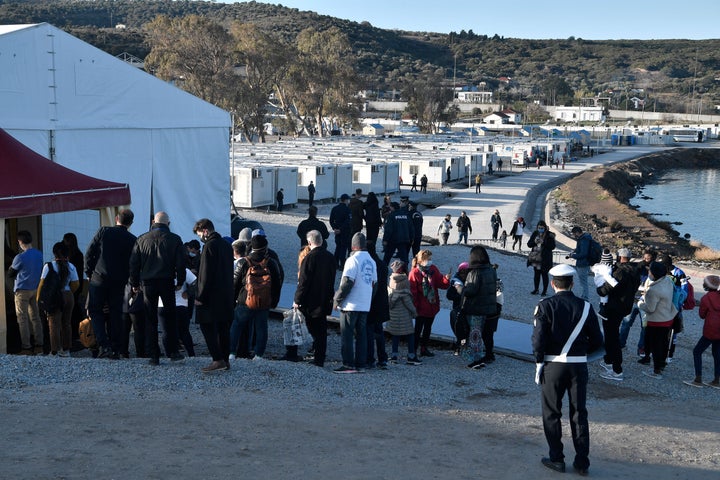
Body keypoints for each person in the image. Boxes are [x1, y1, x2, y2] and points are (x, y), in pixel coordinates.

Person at [531, 264, 603, 476]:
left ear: (553, 284)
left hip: (553, 365)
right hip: (578, 365)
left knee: (551, 413)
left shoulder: (545, 305)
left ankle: (557, 458)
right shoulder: (587, 307)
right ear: (572, 283)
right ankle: (582, 462)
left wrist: (538, 361)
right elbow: (598, 340)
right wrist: (581, 353)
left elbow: (538, 340)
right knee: (579, 413)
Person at [129, 211, 186, 366]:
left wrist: (134, 284)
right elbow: (181, 264)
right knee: (169, 317)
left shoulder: (141, 239)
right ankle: (172, 351)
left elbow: (134, 264)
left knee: (150, 318)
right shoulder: (175, 239)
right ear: (168, 223)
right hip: (167, 281)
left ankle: (154, 355)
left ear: (154, 221)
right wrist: (180, 281)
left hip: (147, 283)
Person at [85, 209, 136, 359]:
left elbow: (89, 252)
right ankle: (115, 348)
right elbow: (133, 263)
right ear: (130, 223)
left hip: (99, 278)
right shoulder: (132, 239)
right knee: (116, 314)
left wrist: (89, 272)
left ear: (116, 219)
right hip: (119, 281)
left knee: (96, 311)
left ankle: (103, 344)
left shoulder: (104, 231)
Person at [232, 232, 283, 361]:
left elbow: (235, 282)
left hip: (245, 300)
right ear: (265, 247)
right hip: (264, 301)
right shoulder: (271, 263)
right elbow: (277, 283)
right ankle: (259, 354)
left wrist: (234, 299)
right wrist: (274, 301)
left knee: (237, 326)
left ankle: (231, 352)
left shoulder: (244, 262)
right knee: (261, 328)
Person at [192, 219, 234, 371]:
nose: (200, 238)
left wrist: (200, 297)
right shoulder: (226, 245)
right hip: (226, 294)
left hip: (211, 296)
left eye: (199, 234)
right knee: (224, 328)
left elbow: (205, 274)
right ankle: (225, 358)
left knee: (207, 326)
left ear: (205, 230)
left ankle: (217, 359)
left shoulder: (209, 246)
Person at [333, 232, 377, 373]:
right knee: (361, 335)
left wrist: (337, 299)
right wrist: (368, 298)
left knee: (347, 334)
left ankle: (348, 364)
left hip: (351, 304)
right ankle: (361, 364)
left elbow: (347, 282)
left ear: (353, 246)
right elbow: (375, 284)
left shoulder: (352, 260)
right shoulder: (371, 261)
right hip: (364, 304)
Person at [596, 248, 641, 381]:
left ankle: (617, 370)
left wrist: (600, 288)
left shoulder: (619, 272)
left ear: (619, 257)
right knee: (612, 335)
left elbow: (604, 290)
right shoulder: (635, 271)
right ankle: (608, 360)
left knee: (612, 337)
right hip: (625, 307)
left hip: (613, 308)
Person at [293, 230, 337, 368]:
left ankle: (315, 356)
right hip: (325, 298)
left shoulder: (309, 258)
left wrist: (297, 300)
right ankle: (320, 357)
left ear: (309, 242)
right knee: (322, 330)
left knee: (314, 328)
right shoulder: (330, 257)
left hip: (311, 301)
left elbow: (303, 282)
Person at [36, 242, 80, 356]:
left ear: (54, 253)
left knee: (53, 324)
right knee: (66, 323)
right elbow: (76, 284)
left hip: (54, 297)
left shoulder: (49, 266)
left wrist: (38, 299)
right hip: (68, 296)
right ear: (67, 254)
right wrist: (68, 292)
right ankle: (66, 350)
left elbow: (41, 284)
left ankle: (54, 351)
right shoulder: (71, 266)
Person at [637, 261, 677, 378]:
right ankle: (660, 364)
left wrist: (640, 303)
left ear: (654, 273)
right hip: (668, 316)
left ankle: (656, 370)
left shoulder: (653, 290)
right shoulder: (667, 281)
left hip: (656, 320)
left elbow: (650, 309)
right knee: (663, 343)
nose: (648, 272)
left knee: (655, 344)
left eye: (650, 271)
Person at [461, 246, 498, 369]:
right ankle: (481, 356)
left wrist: (460, 289)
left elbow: (471, 291)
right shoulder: (491, 270)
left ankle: (476, 360)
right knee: (480, 333)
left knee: (474, 335)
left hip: (475, 307)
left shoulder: (475, 272)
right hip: (487, 308)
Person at [409, 249, 451, 357]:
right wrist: (415, 306)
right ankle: (413, 350)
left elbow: (441, 283)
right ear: (421, 260)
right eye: (428, 259)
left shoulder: (433, 269)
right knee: (418, 329)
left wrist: (446, 279)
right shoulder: (414, 272)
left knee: (428, 328)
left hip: (431, 305)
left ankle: (424, 349)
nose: (430, 261)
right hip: (421, 306)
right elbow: (412, 292)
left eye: (430, 259)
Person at [8, 230, 44, 355]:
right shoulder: (39, 254)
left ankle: (26, 347)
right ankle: (39, 344)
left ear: (20, 242)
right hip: (35, 289)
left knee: (22, 319)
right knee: (35, 317)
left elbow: (10, 273)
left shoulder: (20, 257)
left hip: (22, 291)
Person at [684, 275, 720, 388]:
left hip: (710, 329)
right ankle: (716, 380)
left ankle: (698, 378)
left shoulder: (706, 298)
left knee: (697, 351)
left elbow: (702, 315)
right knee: (717, 354)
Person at [619, 247, 656, 355]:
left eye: (648, 258)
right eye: (644, 258)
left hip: (645, 303)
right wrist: (643, 264)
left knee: (644, 327)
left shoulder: (655, 269)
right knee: (626, 323)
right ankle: (621, 343)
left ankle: (642, 347)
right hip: (633, 300)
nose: (645, 260)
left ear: (653, 258)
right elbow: (634, 269)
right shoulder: (638, 267)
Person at [386, 260, 422, 365]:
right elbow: (407, 300)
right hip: (404, 314)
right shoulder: (404, 281)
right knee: (410, 334)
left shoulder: (391, 279)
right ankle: (411, 356)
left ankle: (394, 356)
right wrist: (414, 312)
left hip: (393, 313)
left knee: (395, 335)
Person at [366, 243, 389, 369]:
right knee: (379, 332)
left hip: (371, 302)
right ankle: (382, 358)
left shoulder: (369, 264)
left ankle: (370, 358)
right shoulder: (382, 264)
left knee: (369, 332)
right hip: (381, 301)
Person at [62, 232, 85, 349]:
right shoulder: (79, 254)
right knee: (75, 310)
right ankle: (78, 334)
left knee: (67, 313)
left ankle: (69, 337)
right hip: (77, 285)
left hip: (66, 287)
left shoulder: (66, 257)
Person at [382, 197, 414, 266]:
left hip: (393, 240)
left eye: (390, 207)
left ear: (393, 208)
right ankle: (405, 271)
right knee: (404, 258)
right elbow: (411, 227)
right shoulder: (406, 215)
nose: (390, 209)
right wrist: (411, 238)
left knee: (387, 257)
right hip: (404, 239)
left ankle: (383, 270)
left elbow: (388, 229)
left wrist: (385, 240)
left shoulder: (391, 216)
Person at [527, 220, 556, 296]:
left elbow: (552, 246)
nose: (540, 229)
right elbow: (529, 244)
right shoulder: (535, 233)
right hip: (535, 258)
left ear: (545, 228)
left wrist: (544, 242)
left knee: (544, 275)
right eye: (539, 228)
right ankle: (536, 289)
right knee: (536, 275)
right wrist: (534, 242)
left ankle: (544, 291)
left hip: (545, 259)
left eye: (542, 228)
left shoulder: (549, 235)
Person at [567, 226, 593, 300]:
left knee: (583, 282)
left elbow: (583, 253)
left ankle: (585, 297)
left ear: (577, 232)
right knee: (583, 281)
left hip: (583, 263)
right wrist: (575, 250)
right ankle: (584, 296)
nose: (574, 236)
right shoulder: (585, 238)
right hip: (585, 263)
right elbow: (582, 249)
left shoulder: (584, 240)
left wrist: (573, 256)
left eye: (574, 234)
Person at [329, 193, 352, 270]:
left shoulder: (335, 208)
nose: (349, 201)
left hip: (337, 231)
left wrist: (335, 228)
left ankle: (335, 263)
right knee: (343, 247)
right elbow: (348, 221)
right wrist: (341, 229)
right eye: (348, 200)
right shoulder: (347, 209)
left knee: (338, 247)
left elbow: (331, 220)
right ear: (345, 200)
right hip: (345, 231)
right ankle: (342, 264)